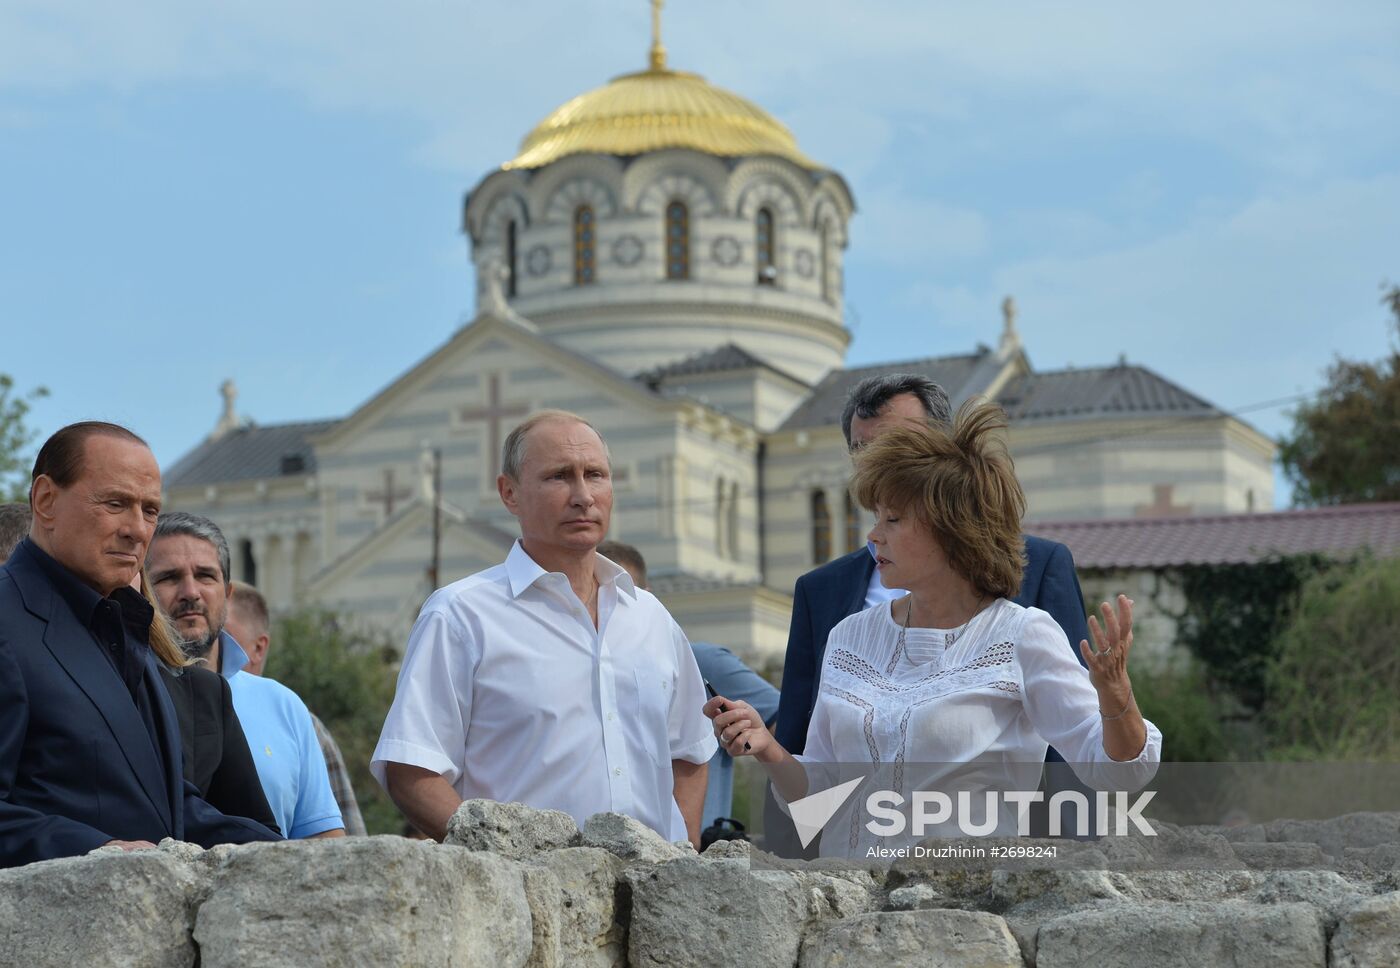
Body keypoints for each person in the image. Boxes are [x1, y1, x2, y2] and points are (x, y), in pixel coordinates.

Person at [709, 403, 1161, 857]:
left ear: (952, 530)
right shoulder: (848, 636)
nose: (872, 536)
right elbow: (817, 800)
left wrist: (1117, 697)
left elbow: (1119, 772)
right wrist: (768, 749)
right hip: (851, 909)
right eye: (875, 516)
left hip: (964, 910)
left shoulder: (1023, 633)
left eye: (893, 519)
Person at [373, 410, 716, 845]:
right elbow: (412, 771)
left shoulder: (652, 618)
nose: (583, 496)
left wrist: (678, 855)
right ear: (509, 493)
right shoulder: (461, 615)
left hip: (654, 898)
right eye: (559, 477)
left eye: (595, 475)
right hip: (526, 900)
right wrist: (507, 863)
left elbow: (690, 752)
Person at [0, 422, 280, 867]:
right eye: (116, 503)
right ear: (46, 500)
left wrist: (288, 854)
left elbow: (166, 809)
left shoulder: (124, 628)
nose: (137, 529)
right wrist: (96, 850)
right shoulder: (8, 620)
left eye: (150, 510)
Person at [147, 512, 345, 840]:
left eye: (205, 576)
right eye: (169, 577)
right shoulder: (125, 692)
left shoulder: (284, 705)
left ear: (227, 593)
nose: (190, 592)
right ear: (142, 590)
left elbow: (323, 843)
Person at [597, 539, 779, 834]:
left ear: (648, 597)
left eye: (623, 594)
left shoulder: (701, 659)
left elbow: (786, 728)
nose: (610, 607)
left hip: (693, 853)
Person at [226, 580, 367, 836]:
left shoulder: (295, 717)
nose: (218, 647)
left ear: (258, 648)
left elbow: (344, 841)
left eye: (227, 639)